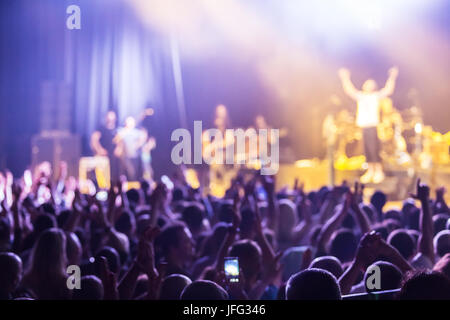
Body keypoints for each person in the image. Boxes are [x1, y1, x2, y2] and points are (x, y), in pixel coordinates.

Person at [338, 67, 399, 184]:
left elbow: (388, 90)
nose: (368, 85)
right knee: (367, 150)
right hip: (364, 126)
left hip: (372, 126)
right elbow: (349, 90)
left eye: (371, 84)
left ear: (373, 87)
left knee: (374, 149)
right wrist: (345, 78)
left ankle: (378, 171)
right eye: (367, 84)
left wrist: (392, 77)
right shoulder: (361, 96)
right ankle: (370, 171)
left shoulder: (375, 96)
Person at [115, 116, 148, 181]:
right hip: (124, 156)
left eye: (132, 122)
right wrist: (119, 147)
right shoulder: (121, 131)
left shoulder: (136, 132)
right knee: (127, 171)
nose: (130, 124)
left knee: (134, 171)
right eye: (128, 122)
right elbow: (116, 140)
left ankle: (133, 185)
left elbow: (143, 138)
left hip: (134, 155)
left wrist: (137, 145)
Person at [91, 110, 120, 181]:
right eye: (109, 117)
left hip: (113, 157)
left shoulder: (116, 130)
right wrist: (99, 150)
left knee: (113, 174)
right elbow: (94, 139)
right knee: (102, 175)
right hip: (103, 157)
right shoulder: (101, 128)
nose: (110, 119)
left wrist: (119, 148)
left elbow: (120, 141)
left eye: (112, 118)